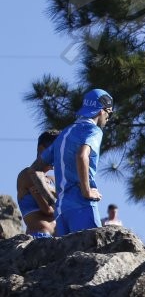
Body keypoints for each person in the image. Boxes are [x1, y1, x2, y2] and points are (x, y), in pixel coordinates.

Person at [39, 89, 114, 235]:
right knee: (92, 255)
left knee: (69, 257)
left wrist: (51, 199)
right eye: (109, 114)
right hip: (82, 206)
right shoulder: (94, 131)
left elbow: (34, 170)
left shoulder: (64, 133)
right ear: (101, 111)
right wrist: (86, 192)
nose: (108, 119)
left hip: (61, 212)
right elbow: (82, 155)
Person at [17, 130, 60, 237]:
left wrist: (52, 190)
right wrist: (58, 196)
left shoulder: (53, 179)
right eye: (54, 150)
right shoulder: (27, 174)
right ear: (41, 149)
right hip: (39, 236)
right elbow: (48, 210)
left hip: (57, 238)